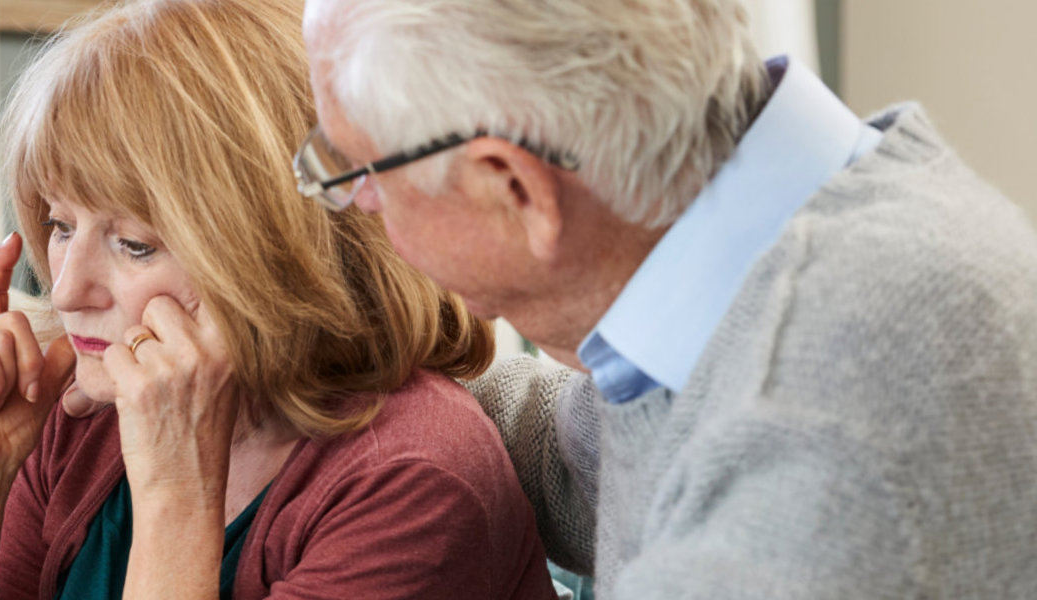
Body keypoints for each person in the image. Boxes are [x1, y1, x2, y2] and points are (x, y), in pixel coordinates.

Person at [299, 0, 1037, 596]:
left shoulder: (813, 449)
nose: (363, 208)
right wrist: (310, 361)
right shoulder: (771, 253)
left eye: (363, 178)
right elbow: (582, 456)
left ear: (515, 189)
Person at [0, 1, 556, 598]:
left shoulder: (415, 480)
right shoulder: (89, 411)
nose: (64, 290)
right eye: (60, 225)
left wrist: (176, 493)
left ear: (278, 251)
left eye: (134, 243)